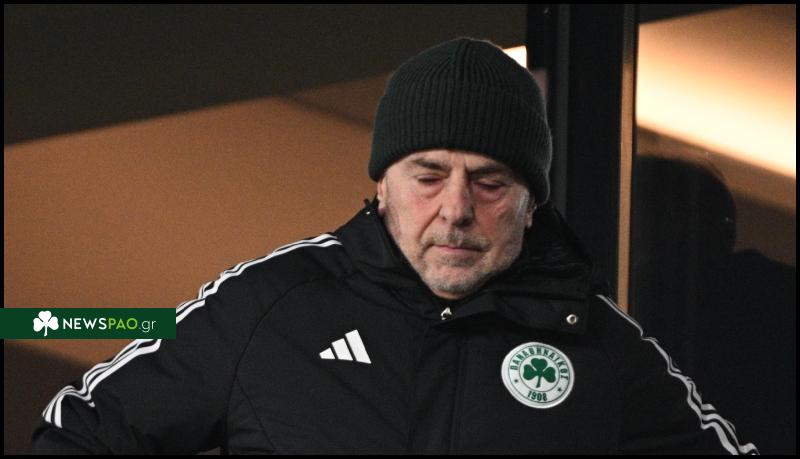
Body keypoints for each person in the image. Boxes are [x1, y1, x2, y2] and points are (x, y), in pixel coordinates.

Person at [31, 37, 757, 454]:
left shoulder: (599, 347)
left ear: (532, 202)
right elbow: (82, 435)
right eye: (429, 177)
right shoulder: (273, 303)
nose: (456, 210)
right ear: (383, 185)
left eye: (490, 182)